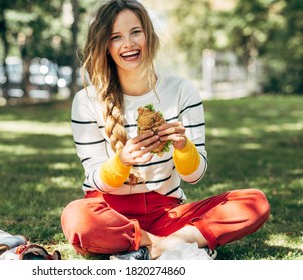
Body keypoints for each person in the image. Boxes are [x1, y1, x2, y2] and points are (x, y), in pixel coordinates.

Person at [61, 0, 270, 260]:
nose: (129, 43)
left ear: (149, 35)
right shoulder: (87, 101)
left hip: (167, 214)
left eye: (136, 32)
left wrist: (183, 147)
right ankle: (163, 245)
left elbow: (195, 175)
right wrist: (122, 161)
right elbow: (94, 178)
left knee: (255, 202)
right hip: (110, 215)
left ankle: (153, 246)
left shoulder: (182, 91)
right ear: (105, 46)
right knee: (77, 217)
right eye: (116, 37)